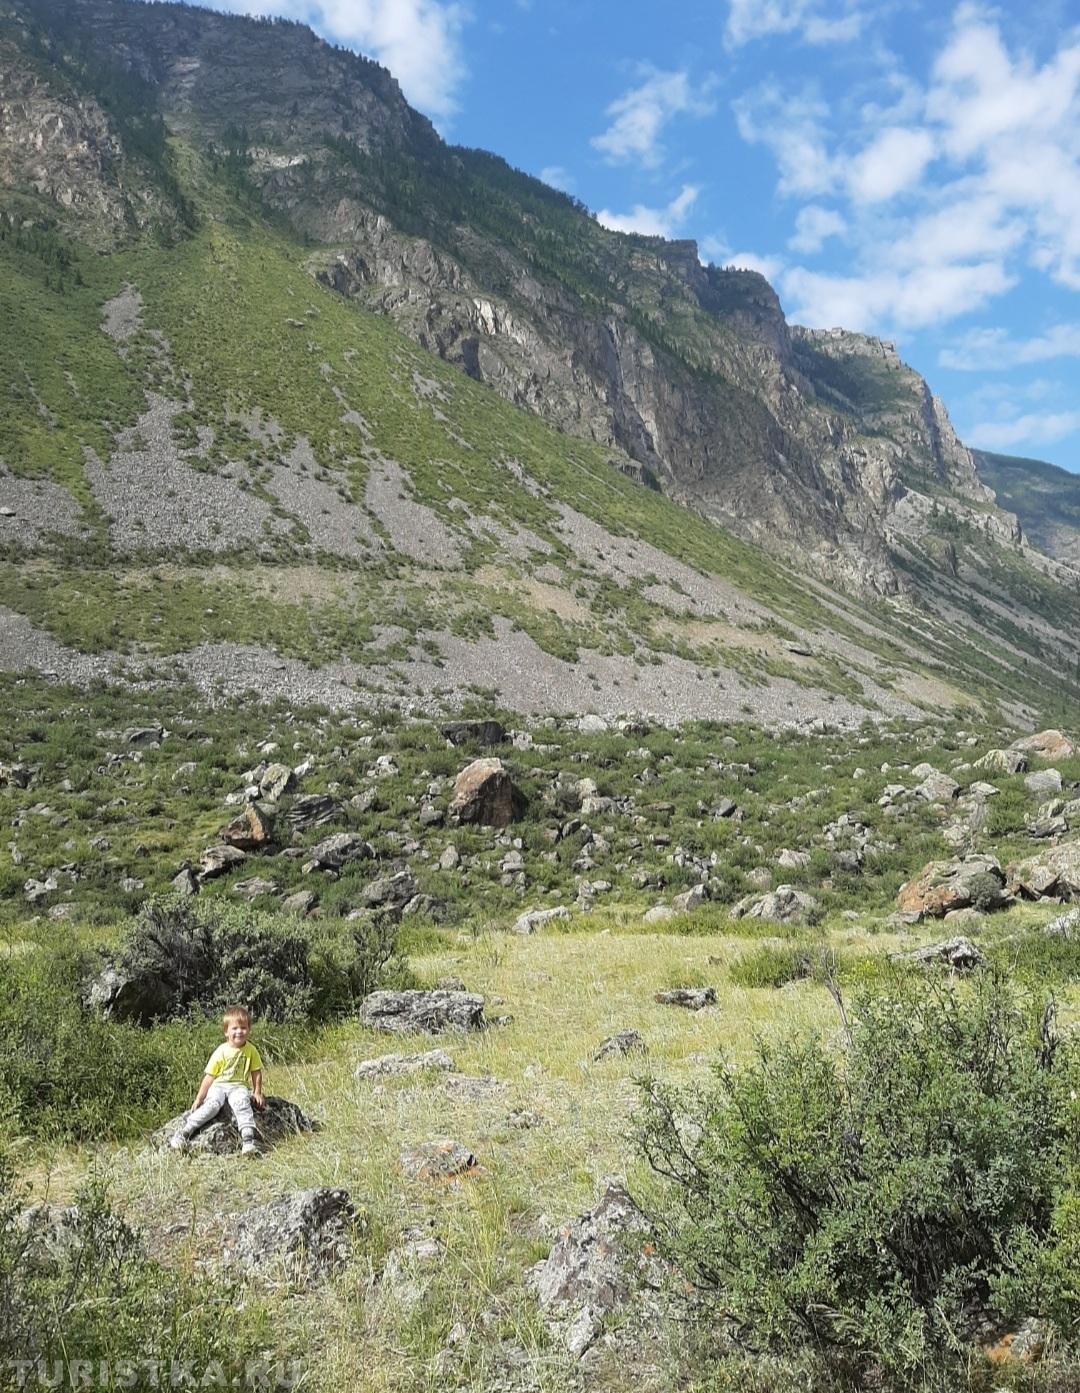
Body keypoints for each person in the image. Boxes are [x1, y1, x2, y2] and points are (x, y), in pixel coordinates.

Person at [170, 1005, 265, 1156]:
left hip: (238, 1086)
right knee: (212, 1106)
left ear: (249, 1029)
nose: (239, 1031)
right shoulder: (221, 1051)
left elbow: (256, 1072)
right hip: (219, 1086)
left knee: (242, 1103)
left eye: (243, 1028)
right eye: (234, 1028)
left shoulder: (251, 1050)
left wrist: (257, 1092)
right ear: (226, 1031)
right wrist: (199, 1098)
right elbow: (209, 1077)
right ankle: (185, 1132)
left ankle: (248, 1141)